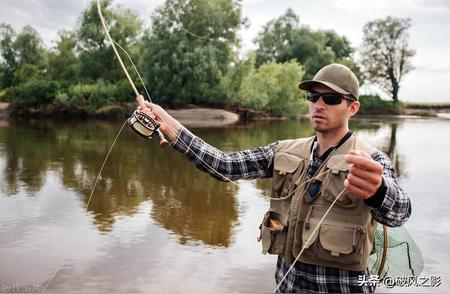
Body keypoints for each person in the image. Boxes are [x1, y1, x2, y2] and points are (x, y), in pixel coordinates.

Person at [135, 63, 411, 293]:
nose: (318, 104)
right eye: (313, 97)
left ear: (353, 108)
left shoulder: (370, 160)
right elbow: (224, 166)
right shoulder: (283, 151)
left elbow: (400, 213)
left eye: (331, 99)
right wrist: (168, 124)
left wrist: (378, 191)